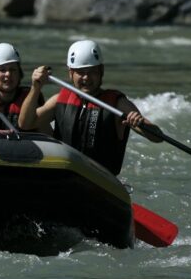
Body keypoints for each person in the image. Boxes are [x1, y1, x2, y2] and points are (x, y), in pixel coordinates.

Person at [18, 39, 162, 176]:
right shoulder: (59, 100)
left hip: (102, 180)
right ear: (71, 73)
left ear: (101, 71)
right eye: (81, 72)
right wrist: (36, 88)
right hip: (65, 174)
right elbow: (25, 124)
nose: (86, 78)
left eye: (92, 72)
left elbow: (157, 138)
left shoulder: (118, 103)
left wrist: (141, 124)